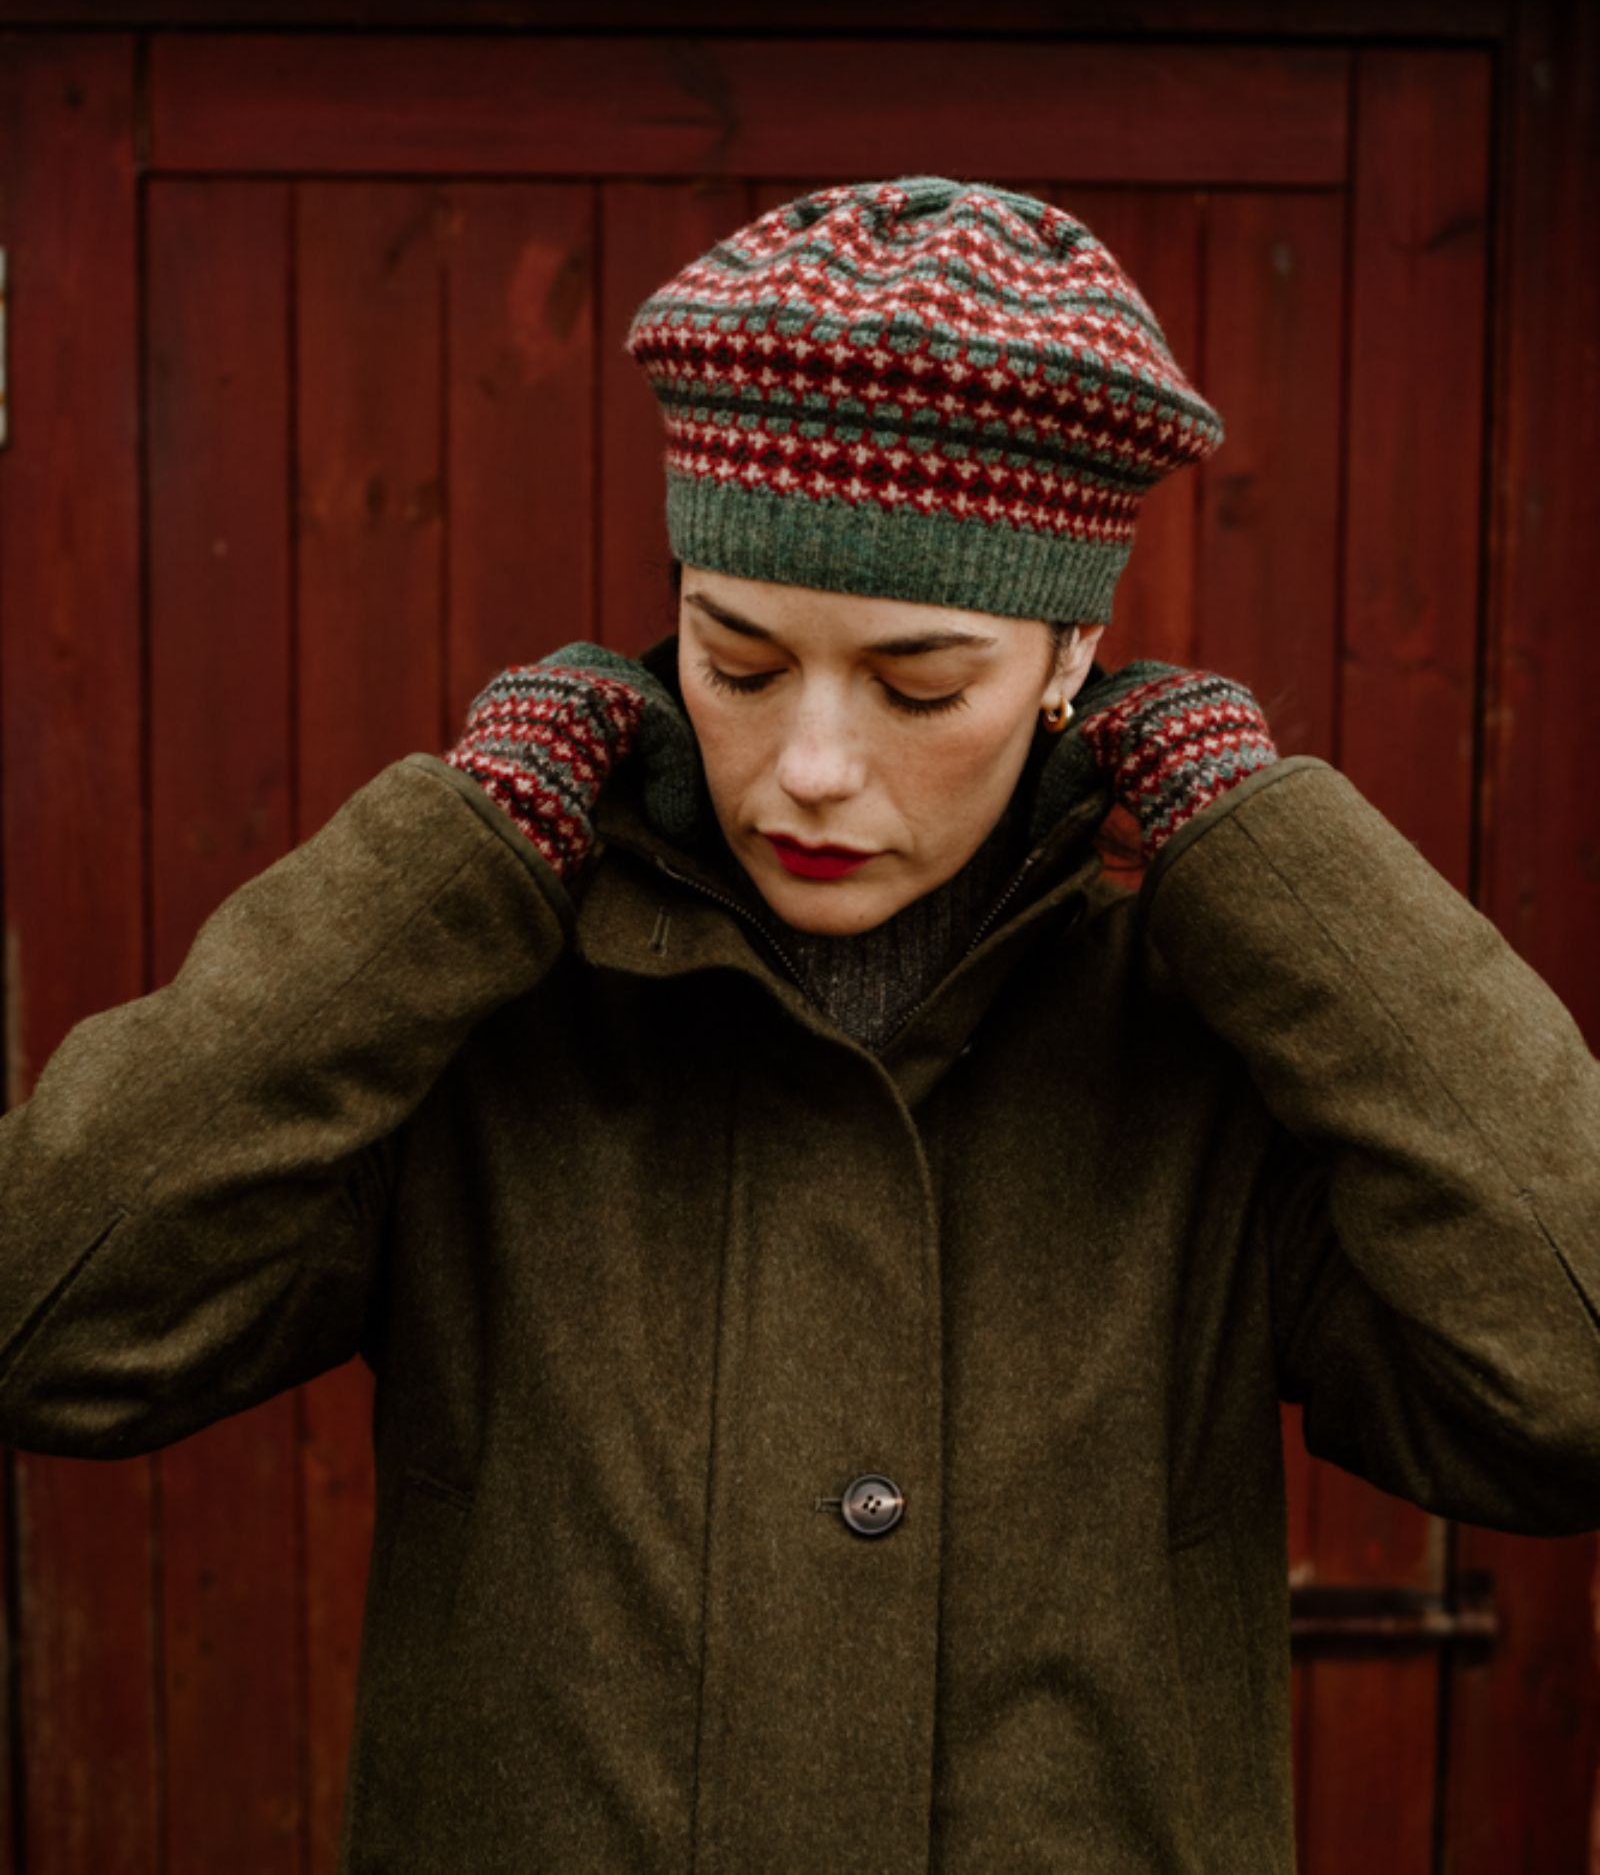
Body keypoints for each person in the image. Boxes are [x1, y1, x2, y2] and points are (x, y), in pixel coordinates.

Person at [0, 175, 1596, 1872]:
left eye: (921, 687)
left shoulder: (1208, 1042)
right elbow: (50, 1321)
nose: (813, 767)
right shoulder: (486, 1007)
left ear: (1072, 652)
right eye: (740, 663)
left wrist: (1273, 853)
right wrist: (455, 852)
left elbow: (1568, 1391)